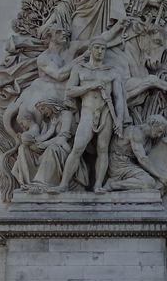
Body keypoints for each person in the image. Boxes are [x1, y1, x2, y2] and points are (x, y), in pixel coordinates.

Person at [52, 38, 125, 192]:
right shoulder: (80, 69)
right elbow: (70, 91)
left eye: (103, 49)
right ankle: (63, 184)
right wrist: (90, 86)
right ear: (90, 49)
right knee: (78, 147)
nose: (100, 51)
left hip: (106, 113)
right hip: (87, 113)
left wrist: (119, 119)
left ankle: (98, 185)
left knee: (103, 149)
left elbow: (119, 98)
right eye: (97, 48)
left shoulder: (112, 71)